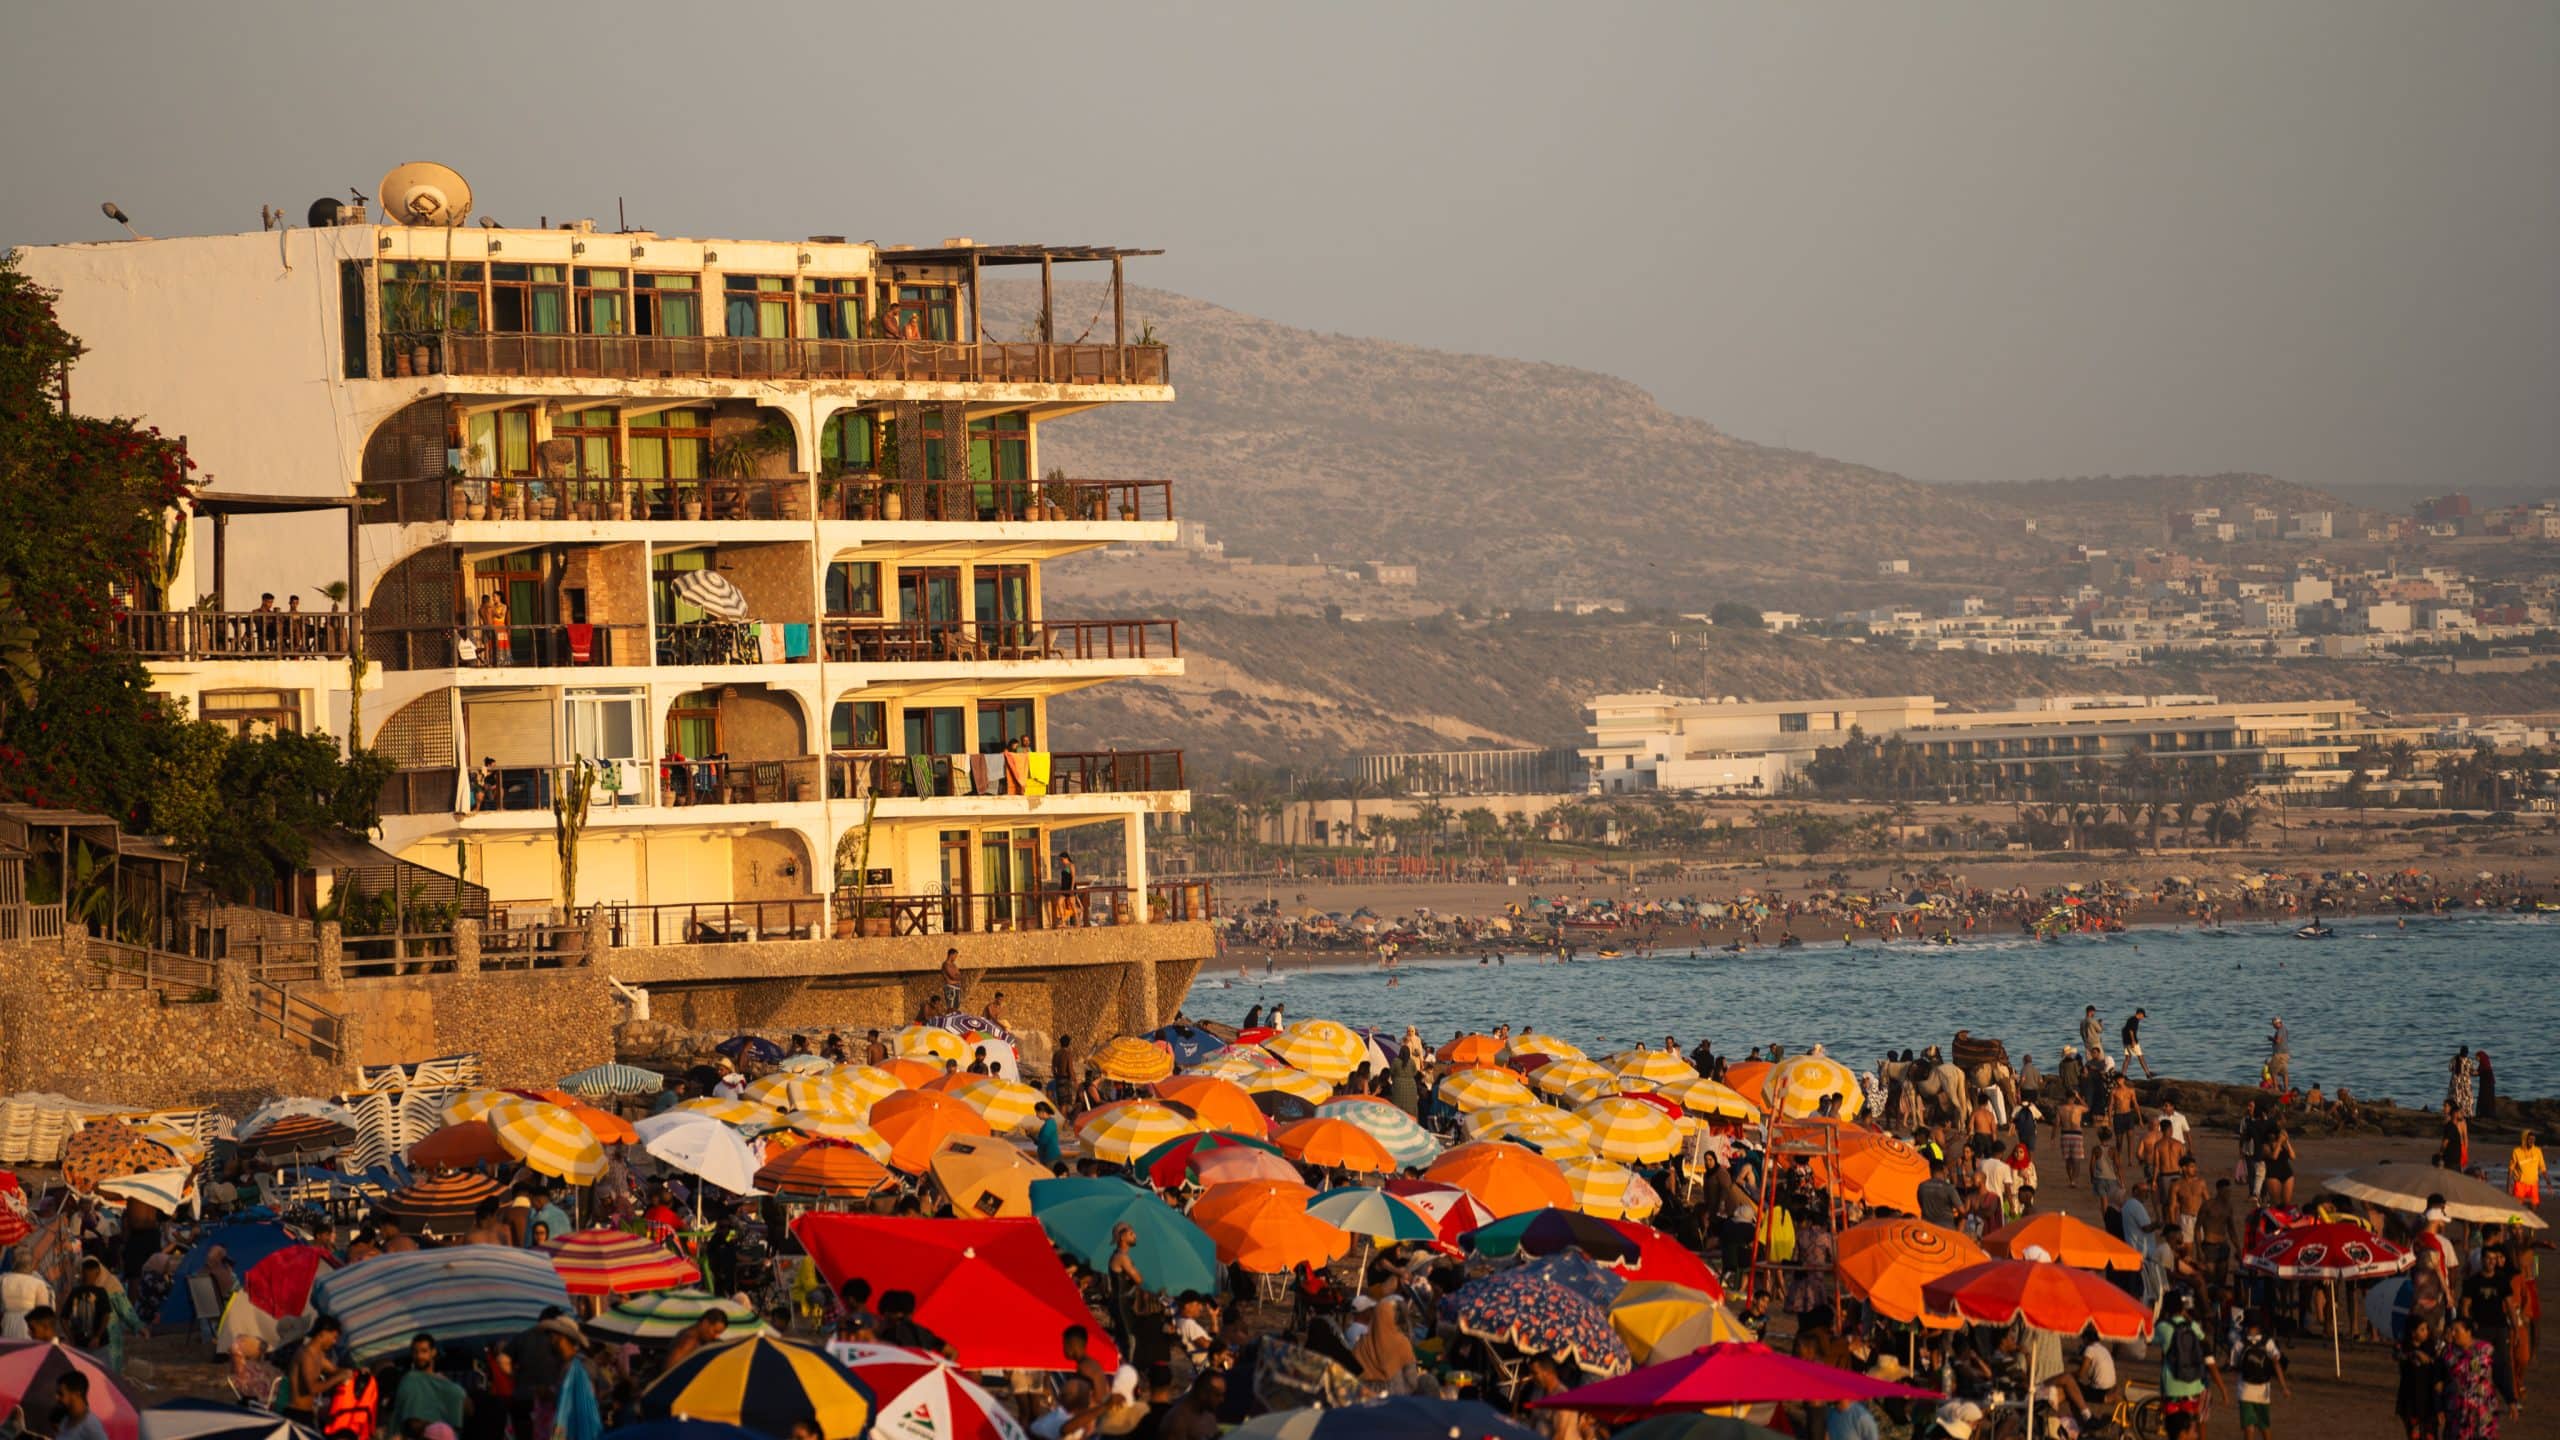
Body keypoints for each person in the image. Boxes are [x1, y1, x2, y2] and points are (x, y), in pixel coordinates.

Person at [2153, 1291, 2229, 1438]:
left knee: (2175, 1431)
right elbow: (2203, 1344)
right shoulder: (2193, 1326)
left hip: (2172, 1388)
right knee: (2197, 1429)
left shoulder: (2162, 1327)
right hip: (2195, 1386)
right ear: (2182, 1308)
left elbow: (2150, 1339)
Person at [392, 1333, 470, 1433]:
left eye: (424, 1351)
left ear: (433, 1352)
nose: (419, 1356)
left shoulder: (445, 1382)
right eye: (416, 1352)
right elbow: (406, 1416)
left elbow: (462, 1399)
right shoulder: (410, 1379)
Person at [2439, 1315, 2500, 1440]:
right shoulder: (2447, 1353)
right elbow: (2439, 1381)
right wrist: (2439, 1407)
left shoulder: (2486, 1349)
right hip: (2457, 1410)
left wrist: (2511, 1400)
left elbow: (2501, 1373)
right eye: (2451, 1330)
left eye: (2457, 1330)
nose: (2453, 1333)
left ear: (2468, 1332)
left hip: (2483, 1409)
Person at [2233, 1317, 2291, 1440]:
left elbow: (2235, 1364)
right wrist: (2284, 1387)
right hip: (2263, 1391)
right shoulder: (2268, 1342)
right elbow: (2276, 1363)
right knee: (2264, 1425)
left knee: (2249, 1426)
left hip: (2245, 1390)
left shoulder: (2240, 1343)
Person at [54, 1371, 109, 1440]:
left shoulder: (91, 1424)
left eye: (61, 1393)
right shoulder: (65, 1421)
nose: (56, 1397)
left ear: (77, 1394)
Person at [2509, 1131, 2545, 1207]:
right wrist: (2508, 1185)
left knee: (2534, 1206)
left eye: (2533, 1139)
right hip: (2520, 1184)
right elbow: (2511, 1169)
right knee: (2517, 1207)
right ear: (2524, 1139)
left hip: (2533, 1184)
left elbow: (2542, 1167)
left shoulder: (2537, 1151)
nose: (2532, 1141)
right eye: (2530, 1139)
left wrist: (2548, 1181)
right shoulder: (2516, 1151)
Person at [2121, 1007, 2155, 1078]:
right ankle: (2148, 1073)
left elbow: (2124, 1030)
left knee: (2127, 1058)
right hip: (2132, 1041)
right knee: (2141, 1057)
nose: (2142, 1018)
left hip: (2126, 1041)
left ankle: (2123, 1074)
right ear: (2140, 1014)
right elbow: (2131, 1031)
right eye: (2143, 1016)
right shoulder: (2135, 1020)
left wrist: (2125, 1041)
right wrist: (2133, 1041)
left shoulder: (2130, 1019)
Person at [941, 947, 965, 1012]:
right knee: (950, 1007)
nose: (955, 958)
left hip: (957, 987)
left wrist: (957, 977)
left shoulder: (954, 965)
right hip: (950, 987)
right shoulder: (946, 965)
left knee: (956, 1007)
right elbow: (953, 976)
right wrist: (957, 977)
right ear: (951, 955)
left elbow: (959, 975)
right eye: (955, 956)